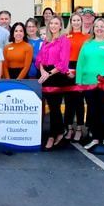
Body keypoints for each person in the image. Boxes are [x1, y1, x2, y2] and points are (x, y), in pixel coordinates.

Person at [76, 18, 104, 155]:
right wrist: (79, 80)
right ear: (93, 28)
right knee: (93, 111)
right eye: (97, 26)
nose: (99, 29)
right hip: (88, 83)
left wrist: (103, 74)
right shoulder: (87, 43)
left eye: (102, 26)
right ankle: (95, 138)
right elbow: (80, 63)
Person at [35, 16, 70, 150]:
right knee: (50, 106)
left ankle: (53, 134)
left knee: (55, 107)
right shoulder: (46, 40)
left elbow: (63, 62)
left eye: (57, 23)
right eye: (52, 23)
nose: (54, 26)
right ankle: (59, 131)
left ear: (61, 26)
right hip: (45, 73)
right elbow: (39, 59)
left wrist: (49, 73)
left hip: (56, 75)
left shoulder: (64, 40)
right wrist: (43, 71)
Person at [63, 13, 89, 142]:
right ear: (71, 22)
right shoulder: (65, 36)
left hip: (81, 69)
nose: (76, 22)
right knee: (68, 102)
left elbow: (87, 58)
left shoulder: (87, 37)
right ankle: (69, 128)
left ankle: (79, 128)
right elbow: (62, 55)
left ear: (81, 21)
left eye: (78, 20)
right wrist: (67, 70)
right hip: (67, 70)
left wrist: (79, 73)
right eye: (74, 20)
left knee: (79, 101)